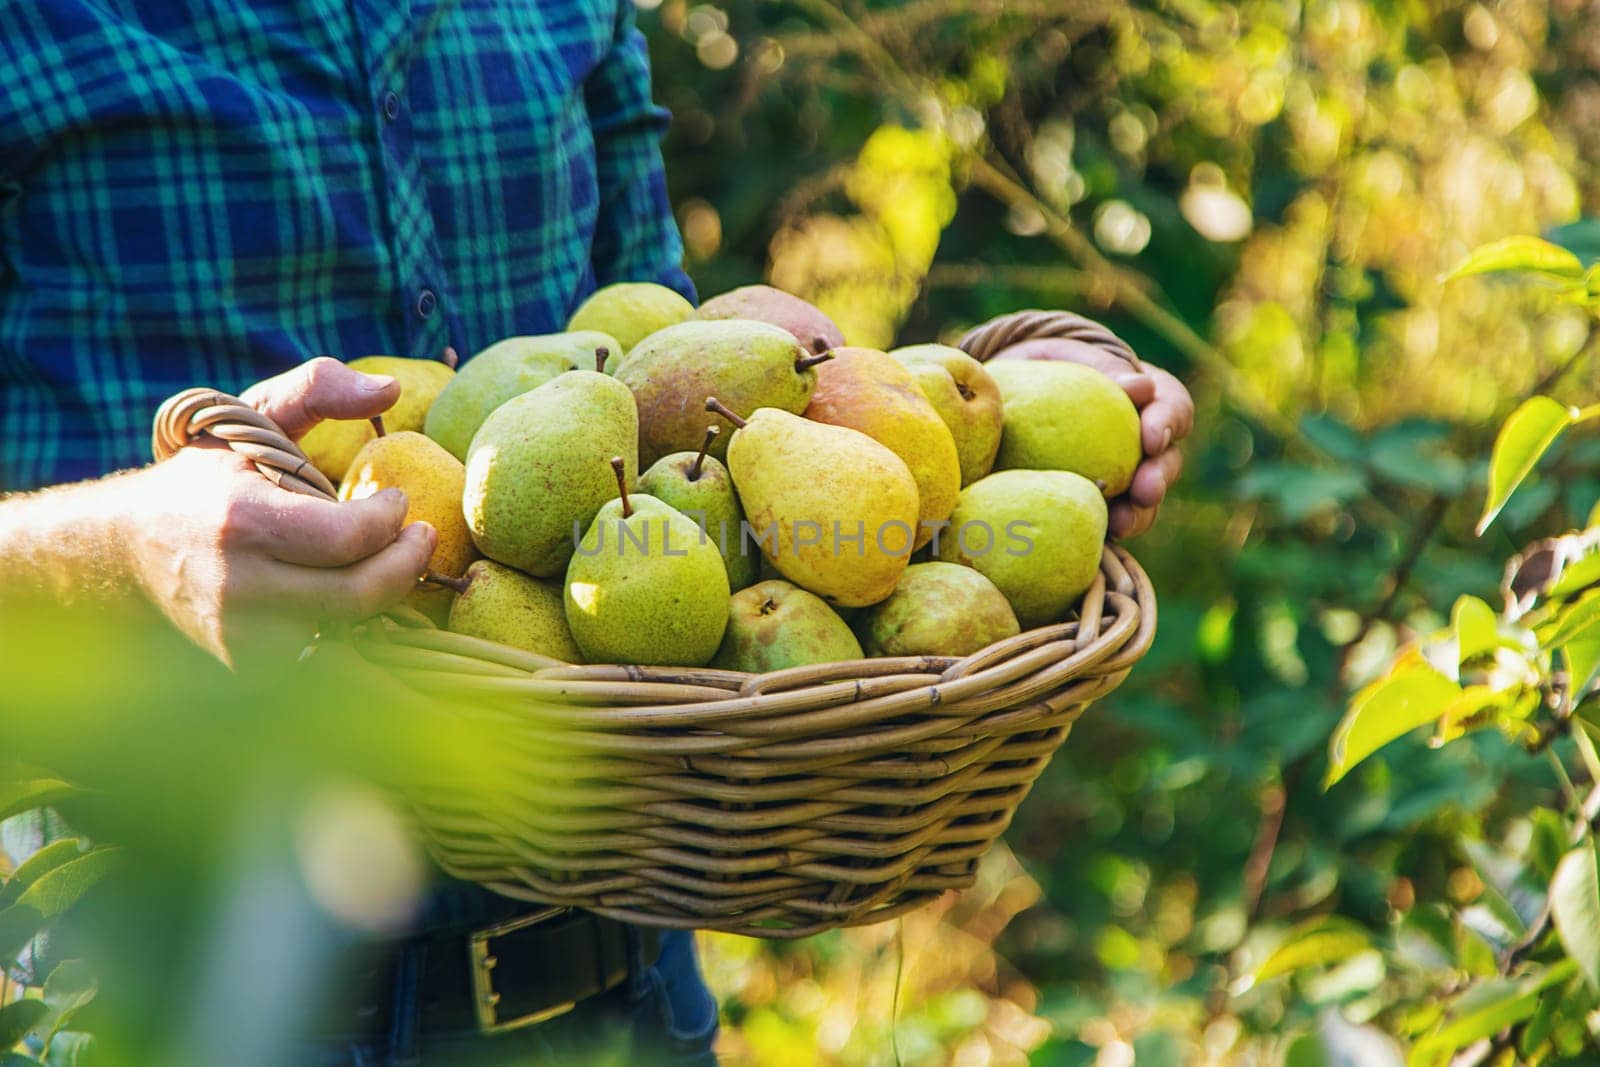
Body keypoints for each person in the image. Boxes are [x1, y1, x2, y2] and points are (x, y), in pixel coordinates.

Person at [0, 0, 1193, 1063]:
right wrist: (117, 550)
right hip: (189, 1005)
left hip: (613, 992)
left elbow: (687, 368)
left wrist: (1015, 411)